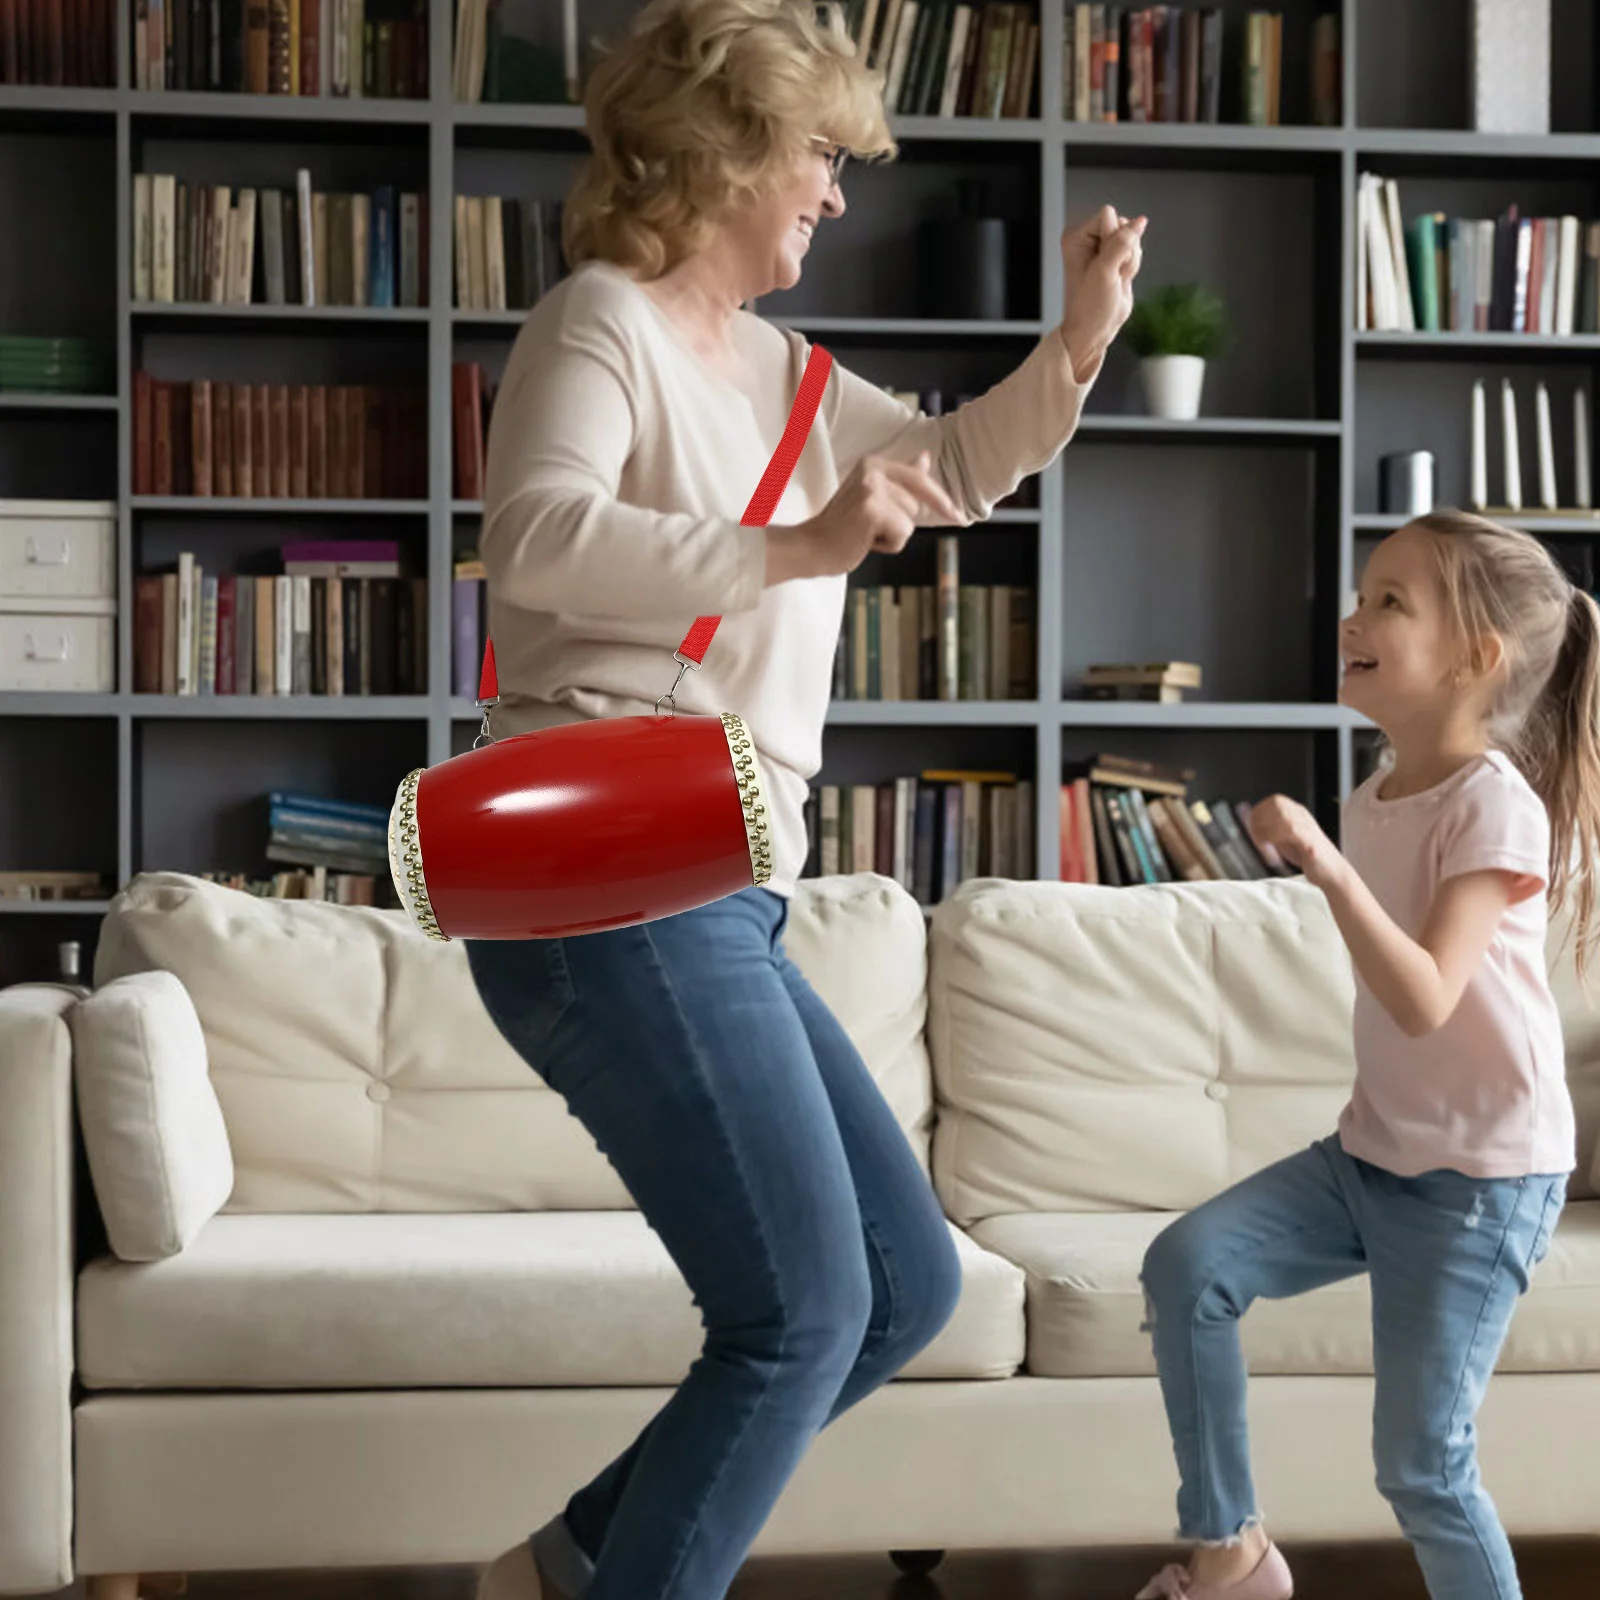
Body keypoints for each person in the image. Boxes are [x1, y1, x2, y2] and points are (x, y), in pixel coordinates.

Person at [461, 3, 1145, 1598]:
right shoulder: (600, 322)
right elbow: (537, 539)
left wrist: (1078, 344)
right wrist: (795, 547)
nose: (838, 195)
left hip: (722, 876)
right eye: (821, 157)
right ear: (727, 152)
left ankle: (570, 1561)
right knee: (804, 1310)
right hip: (600, 853)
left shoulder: (790, 375)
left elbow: (948, 470)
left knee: (901, 1286)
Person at [1134, 509, 1600, 1600]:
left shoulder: (1495, 804)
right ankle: (1230, 1555)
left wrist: (1325, 868)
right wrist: (1332, 851)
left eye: (1391, 601)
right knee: (1188, 1266)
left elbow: (1427, 996)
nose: (1353, 618)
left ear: (1474, 659)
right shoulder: (1374, 793)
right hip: (1375, 1154)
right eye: (1361, 594)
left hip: (1481, 1181)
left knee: (1422, 1466)